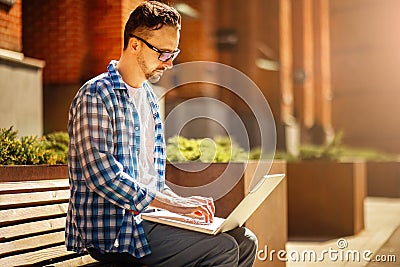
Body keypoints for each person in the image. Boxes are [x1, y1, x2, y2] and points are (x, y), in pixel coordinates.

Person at [65, 1, 257, 266]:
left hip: (149, 220)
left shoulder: (150, 99)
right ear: (135, 45)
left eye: (174, 54)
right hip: (117, 232)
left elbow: (152, 180)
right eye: (163, 53)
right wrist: (175, 207)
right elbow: (103, 177)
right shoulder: (96, 94)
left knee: (245, 240)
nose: (169, 64)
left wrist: (181, 204)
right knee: (222, 249)